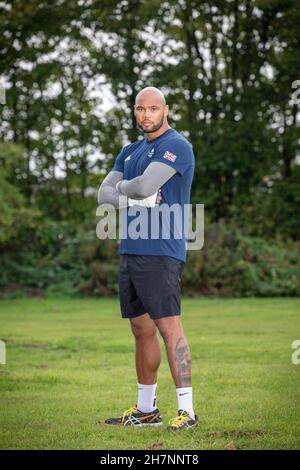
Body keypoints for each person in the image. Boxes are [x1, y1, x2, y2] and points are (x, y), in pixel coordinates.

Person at [98, 86, 197, 430]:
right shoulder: (129, 150)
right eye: (140, 109)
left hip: (161, 251)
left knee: (169, 329)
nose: (146, 115)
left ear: (165, 110)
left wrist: (127, 189)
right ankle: (146, 411)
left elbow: (140, 187)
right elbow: (103, 194)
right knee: (141, 330)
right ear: (135, 111)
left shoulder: (176, 146)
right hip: (131, 249)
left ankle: (187, 412)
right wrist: (132, 192)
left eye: (153, 109)